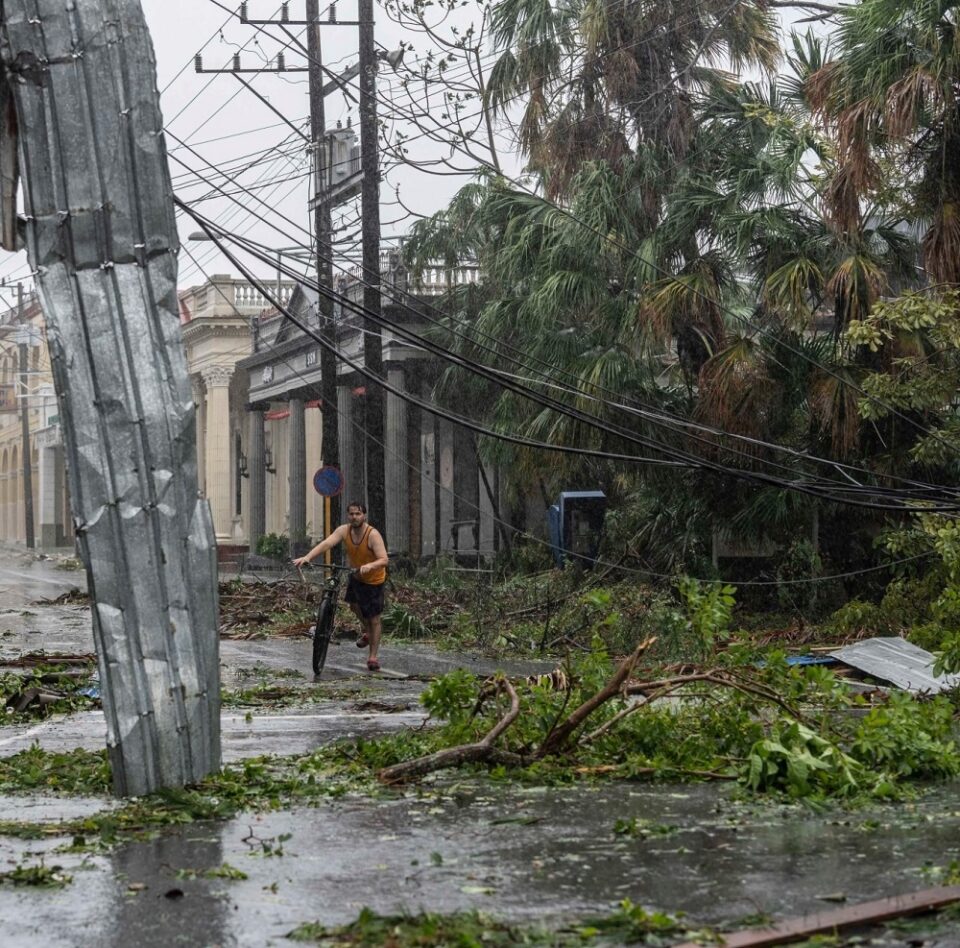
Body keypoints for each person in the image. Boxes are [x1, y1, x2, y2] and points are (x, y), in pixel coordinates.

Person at [293, 502, 389, 672]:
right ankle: (367, 632)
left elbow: (384, 559)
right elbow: (327, 544)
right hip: (357, 576)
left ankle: (373, 656)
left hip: (374, 580)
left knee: (374, 618)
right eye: (351, 514)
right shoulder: (344, 530)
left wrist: (370, 566)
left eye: (358, 514)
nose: (354, 517)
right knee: (354, 606)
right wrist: (308, 557)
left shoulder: (372, 534)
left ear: (364, 516)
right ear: (348, 516)